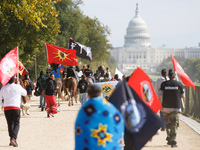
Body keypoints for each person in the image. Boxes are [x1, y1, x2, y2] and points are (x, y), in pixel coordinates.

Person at [75, 85, 124, 150]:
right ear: (100, 94)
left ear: (88, 95)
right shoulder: (110, 107)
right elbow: (118, 123)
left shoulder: (84, 109)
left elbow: (80, 127)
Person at [159, 69, 185, 148]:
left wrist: (160, 105)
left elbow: (160, 95)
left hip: (166, 107)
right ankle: (173, 141)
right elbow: (182, 96)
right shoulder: (179, 84)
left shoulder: (163, 84)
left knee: (168, 124)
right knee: (174, 124)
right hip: (175, 107)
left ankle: (169, 138)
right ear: (174, 76)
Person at [0, 76, 27, 147]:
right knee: (16, 123)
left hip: (7, 108)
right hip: (15, 107)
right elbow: (25, 93)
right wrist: (19, 85)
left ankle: (11, 138)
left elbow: (0, 99)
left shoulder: (3, 88)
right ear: (14, 80)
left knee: (9, 123)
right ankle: (13, 138)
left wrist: (3, 104)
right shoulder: (17, 87)